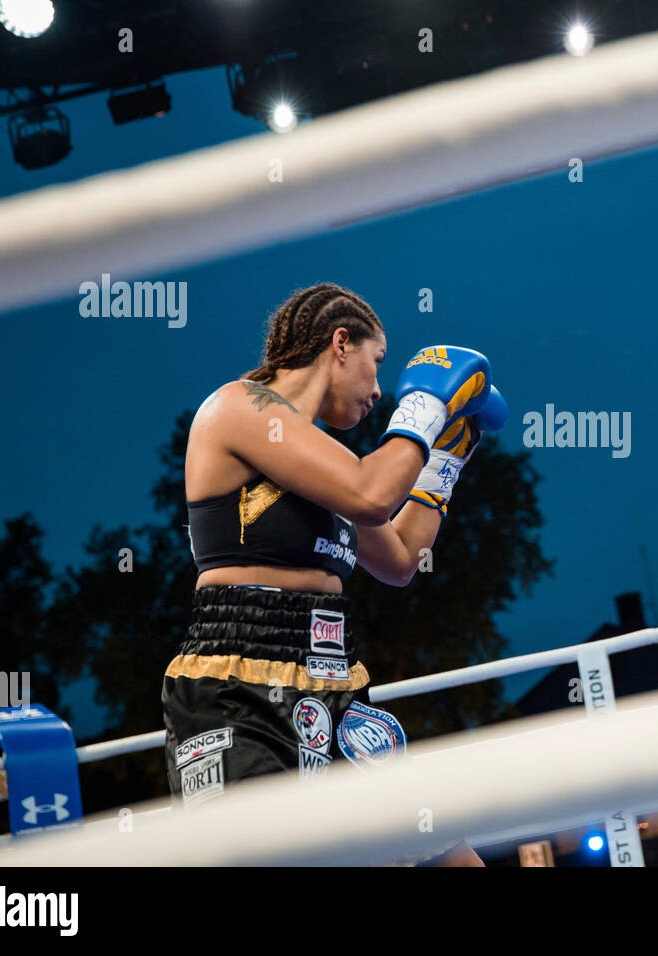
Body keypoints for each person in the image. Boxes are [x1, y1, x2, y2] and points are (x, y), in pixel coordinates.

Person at [163, 282, 502, 866]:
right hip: (237, 690)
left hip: (334, 683)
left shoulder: (325, 458)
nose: (378, 390)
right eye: (376, 365)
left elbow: (398, 559)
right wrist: (424, 407)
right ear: (340, 343)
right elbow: (372, 495)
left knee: (451, 856)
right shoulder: (242, 408)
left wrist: (446, 459)